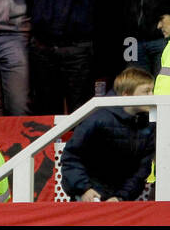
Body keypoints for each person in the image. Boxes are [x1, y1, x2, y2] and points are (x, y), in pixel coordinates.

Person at [59, 66, 156, 202]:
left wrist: (120, 197)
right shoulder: (98, 119)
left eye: (152, 90)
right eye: (146, 91)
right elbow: (71, 156)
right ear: (126, 95)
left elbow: (141, 171)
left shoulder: (149, 126)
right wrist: (84, 189)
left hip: (119, 202)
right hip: (87, 198)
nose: (152, 96)